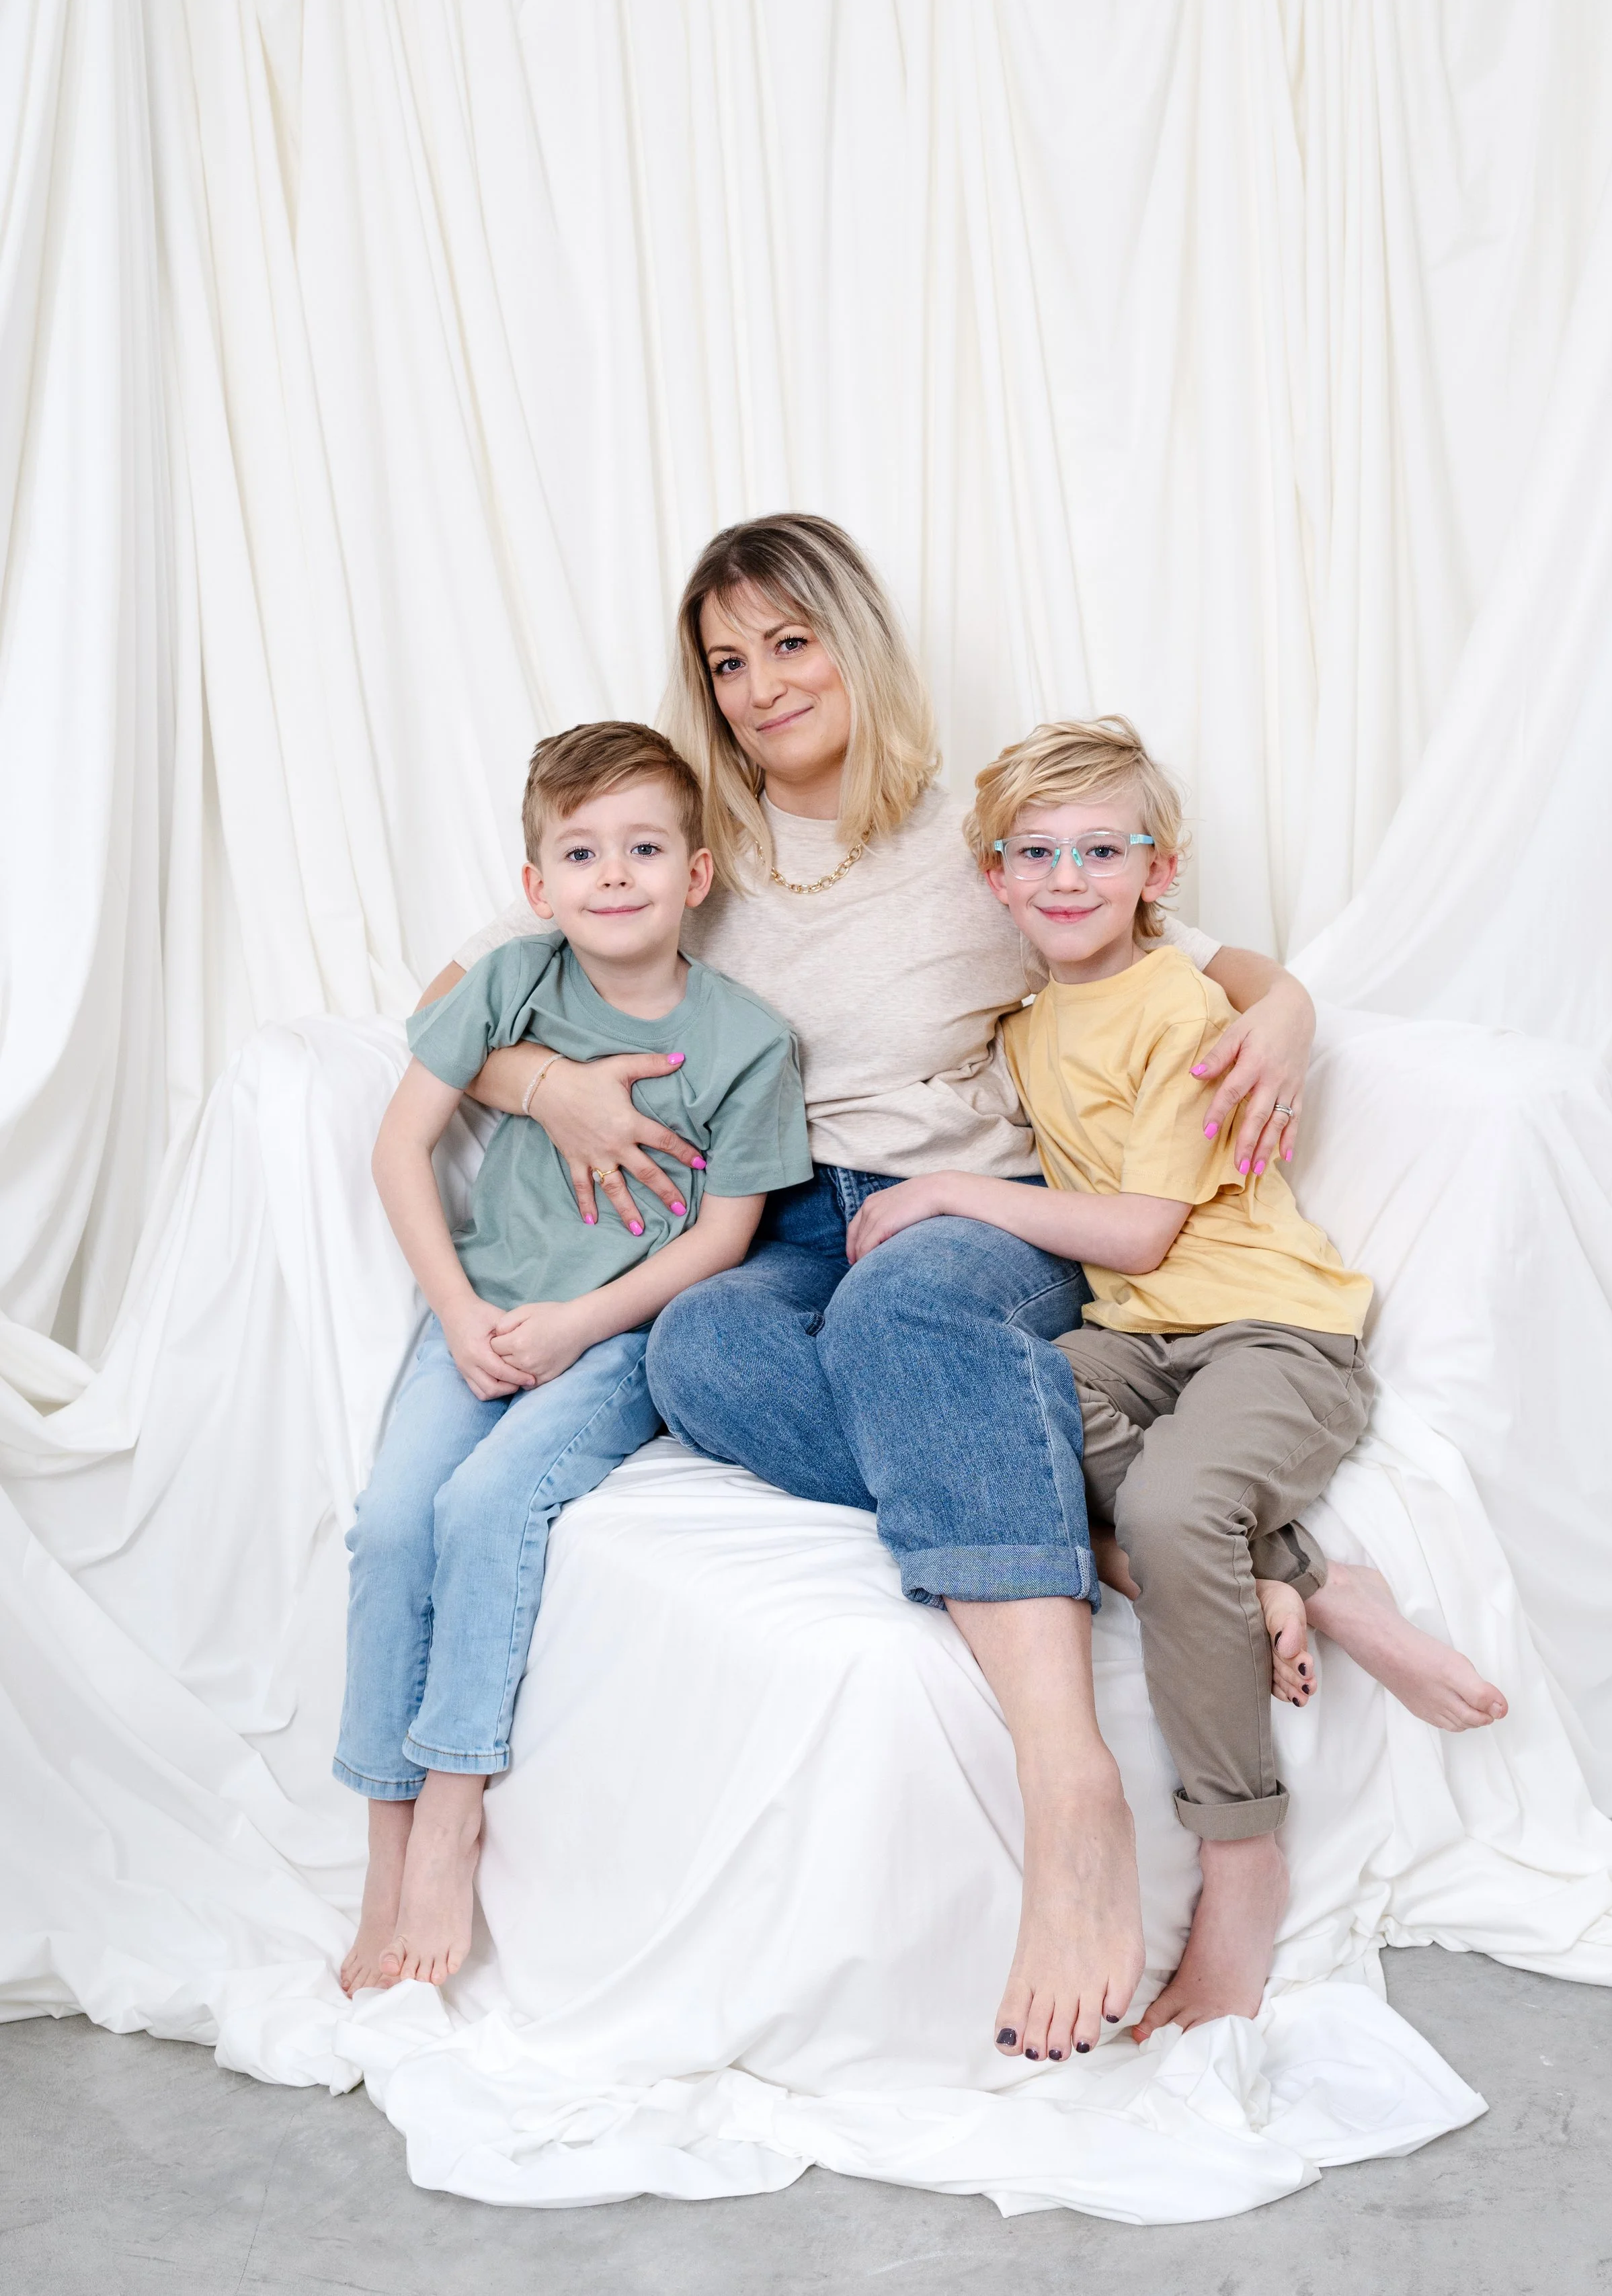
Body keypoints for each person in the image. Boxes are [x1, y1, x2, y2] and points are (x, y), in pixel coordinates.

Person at [419, 514, 1318, 2063]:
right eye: (726, 662)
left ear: (854, 643)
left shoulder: (973, 837)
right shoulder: (693, 846)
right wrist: (546, 1086)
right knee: (699, 1350)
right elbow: (448, 1007)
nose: (762, 685)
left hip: (969, 1214)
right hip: (777, 1220)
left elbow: (1207, 958)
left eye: (790, 643)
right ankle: (1101, 1538)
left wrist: (1287, 1011)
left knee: (902, 1316)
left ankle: (1070, 1788)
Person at [845, 714, 1509, 2043]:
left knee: (1161, 1510)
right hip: (1138, 1343)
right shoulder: (1028, 1023)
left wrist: (942, 1192)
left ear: (1160, 869)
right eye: (1033, 852)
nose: (1066, 876)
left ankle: (1241, 1860)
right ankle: (1310, 1582)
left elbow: (1142, 1230)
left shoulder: (1180, 1006)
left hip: (1272, 1332)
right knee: (1010, 1415)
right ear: (992, 877)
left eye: (1101, 850)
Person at [335, 722, 809, 1994]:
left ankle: (452, 1807)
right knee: (393, 1523)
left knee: (490, 1503)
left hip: (618, 1339)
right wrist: (457, 1313)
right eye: (582, 852)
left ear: (695, 876)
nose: (613, 875)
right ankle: (383, 1843)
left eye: (644, 849)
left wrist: (577, 1327)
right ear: (537, 885)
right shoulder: (510, 985)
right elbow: (399, 1146)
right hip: (482, 1313)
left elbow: (724, 1236)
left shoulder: (748, 1041)